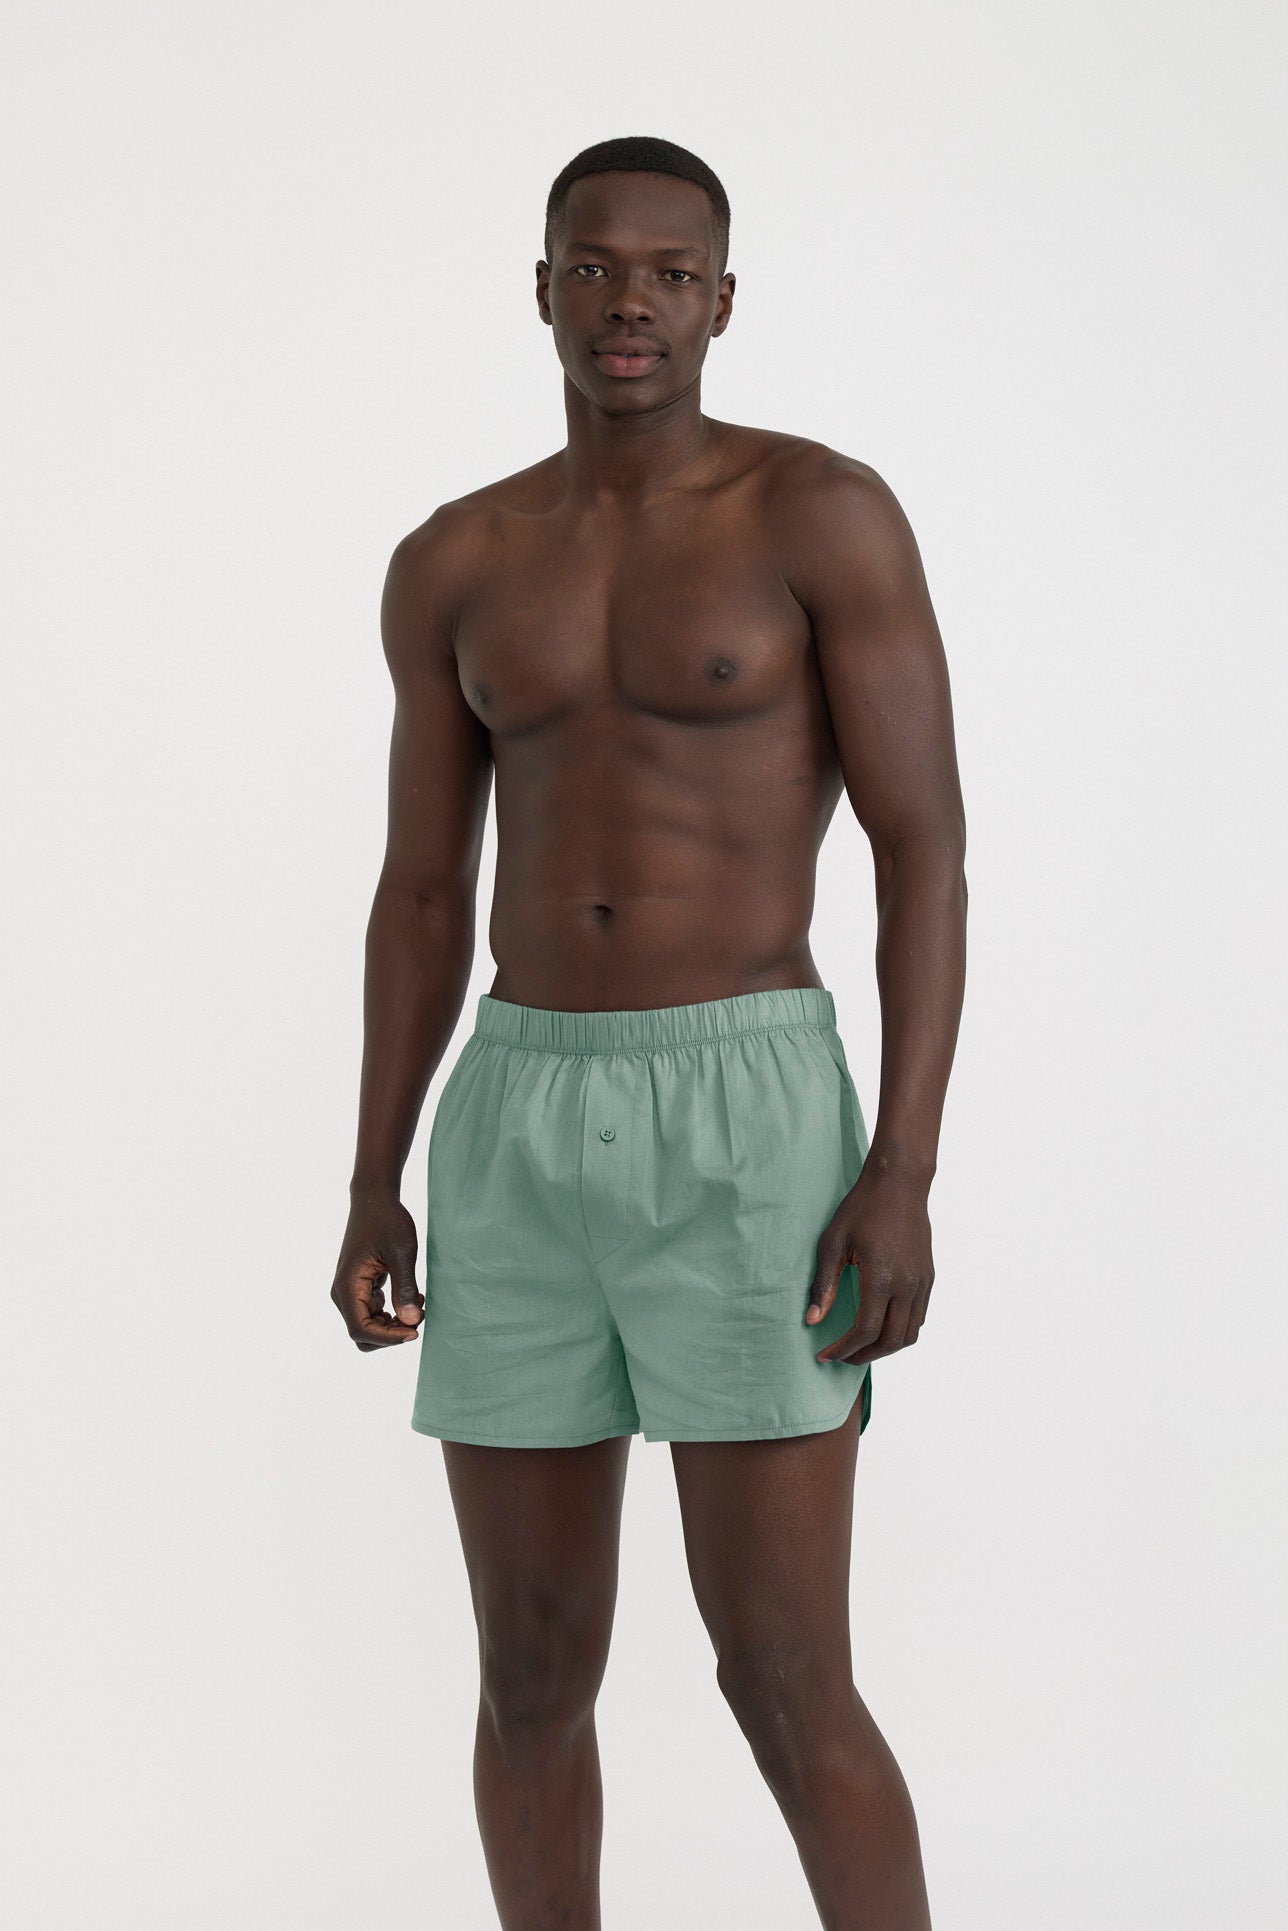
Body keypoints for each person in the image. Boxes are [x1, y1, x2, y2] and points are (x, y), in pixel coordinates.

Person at [330, 133, 966, 1931]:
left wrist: (901, 1169)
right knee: (531, 1677)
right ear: (542, 290)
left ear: (723, 301)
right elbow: (422, 892)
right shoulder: (455, 558)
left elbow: (925, 849)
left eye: (672, 274)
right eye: (597, 268)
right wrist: (374, 1176)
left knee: (783, 1677)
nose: (633, 304)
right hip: (520, 1116)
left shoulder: (818, 515)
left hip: (752, 1108)